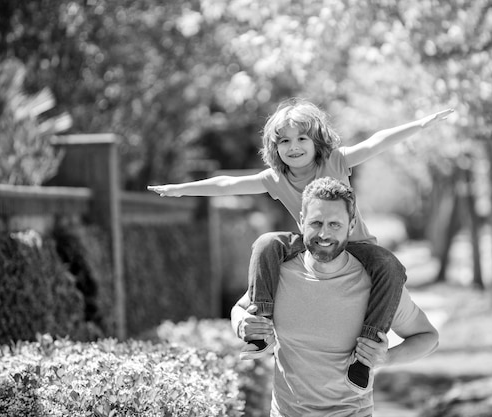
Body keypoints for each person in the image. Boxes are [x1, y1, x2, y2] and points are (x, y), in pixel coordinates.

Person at [148, 98, 452, 390]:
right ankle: (261, 327)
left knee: (389, 264)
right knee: (268, 243)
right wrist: (180, 189)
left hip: (357, 245)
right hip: (310, 246)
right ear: (274, 147)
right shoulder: (276, 178)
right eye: (284, 141)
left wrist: (421, 124)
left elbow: (376, 142)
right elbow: (227, 183)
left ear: (316, 141)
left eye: (302, 139)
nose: (293, 147)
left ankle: (365, 354)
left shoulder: (336, 160)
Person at [231, 177, 439, 416]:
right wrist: (241, 324)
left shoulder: (378, 286)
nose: (324, 234)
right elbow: (239, 308)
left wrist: (386, 359)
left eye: (335, 225)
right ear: (301, 222)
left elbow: (428, 337)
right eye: (316, 222)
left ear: (351, 227)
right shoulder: (279, 273)